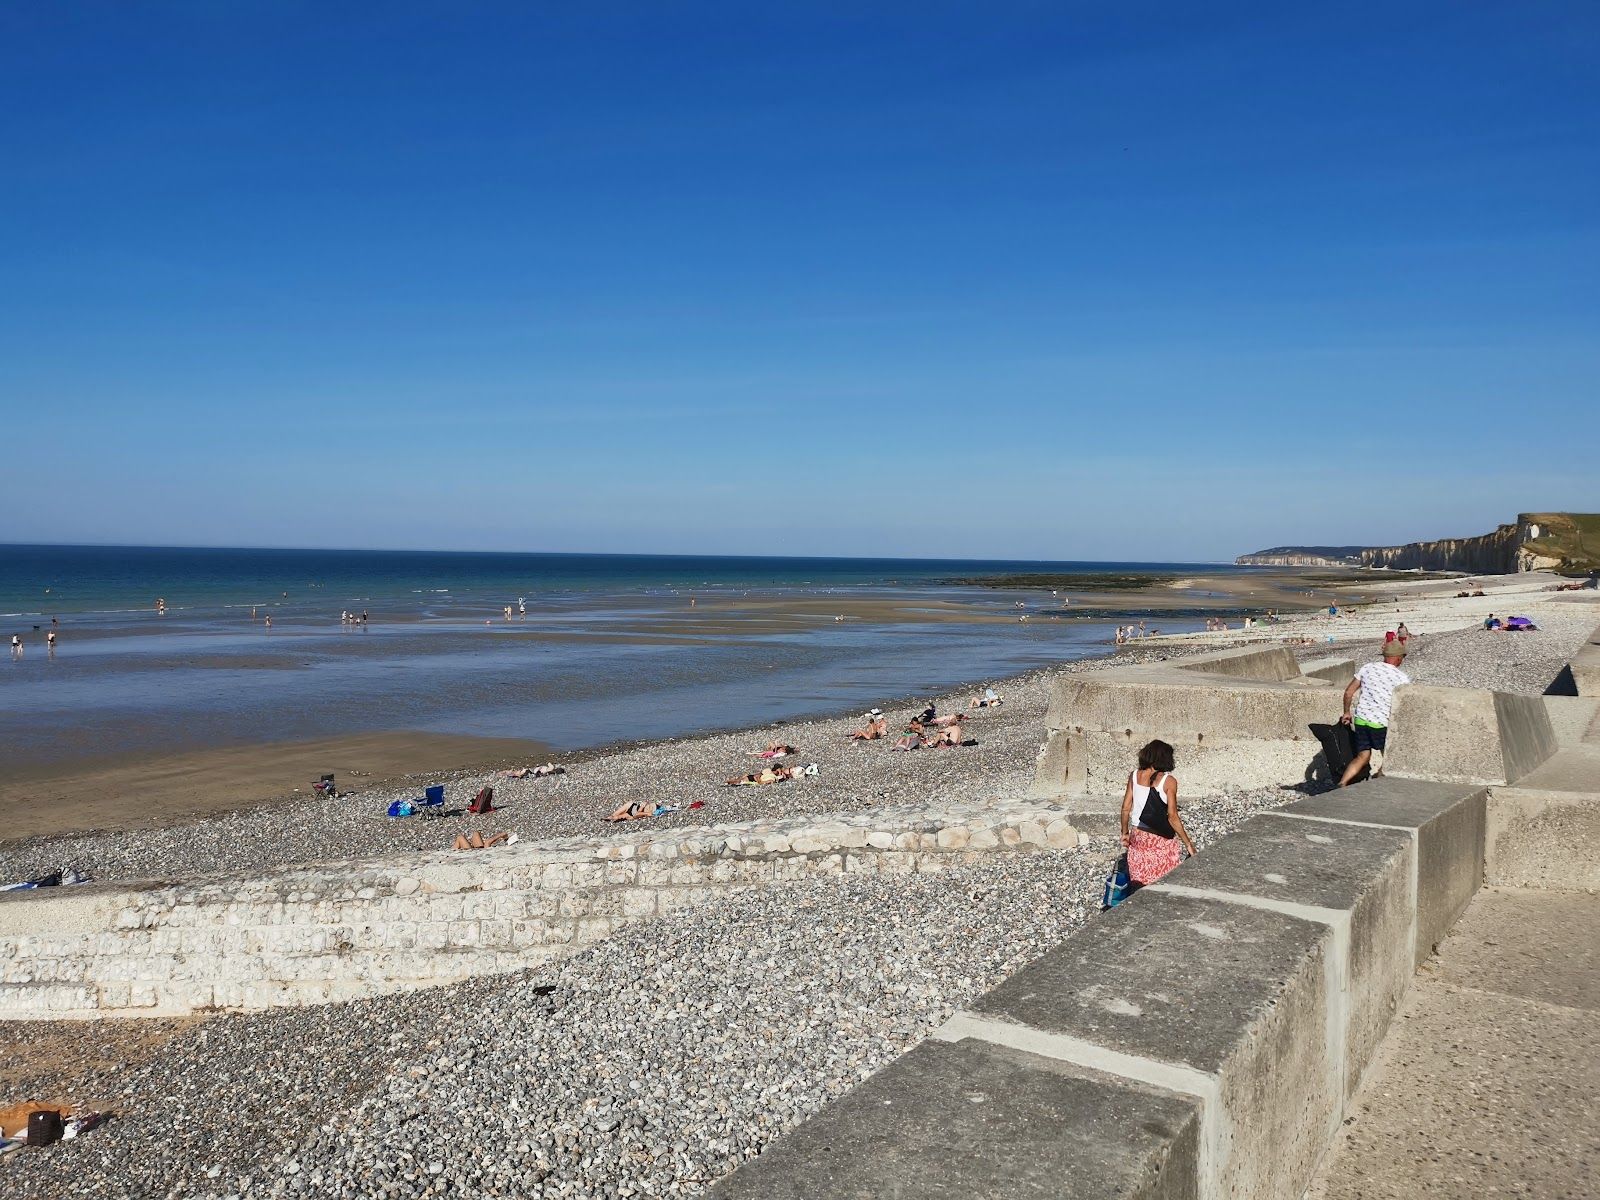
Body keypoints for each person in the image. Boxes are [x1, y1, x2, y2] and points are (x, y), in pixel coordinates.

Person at [1119, 740, 1197, 888]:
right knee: (1165, 878)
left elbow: (1125, 808)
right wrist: (1188, 843)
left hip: (1138, 835)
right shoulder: (1168, 781)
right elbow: (1172, 816)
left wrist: (1125, 832)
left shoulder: (1134, 775)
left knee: (1140, 877)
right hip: (1159, 837)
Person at [1338, 637, 1411, 787]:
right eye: (1402, 657)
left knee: (1362, 756)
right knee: (1389, 757)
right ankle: (1378, 778)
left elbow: (1348, 692)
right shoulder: (1401, 678)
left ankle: (1342, 783)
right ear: (1398, 658)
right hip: (1380, 723)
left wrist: (1346, 712)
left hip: (1361, 720)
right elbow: (1404, 705)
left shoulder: (1367, 668)